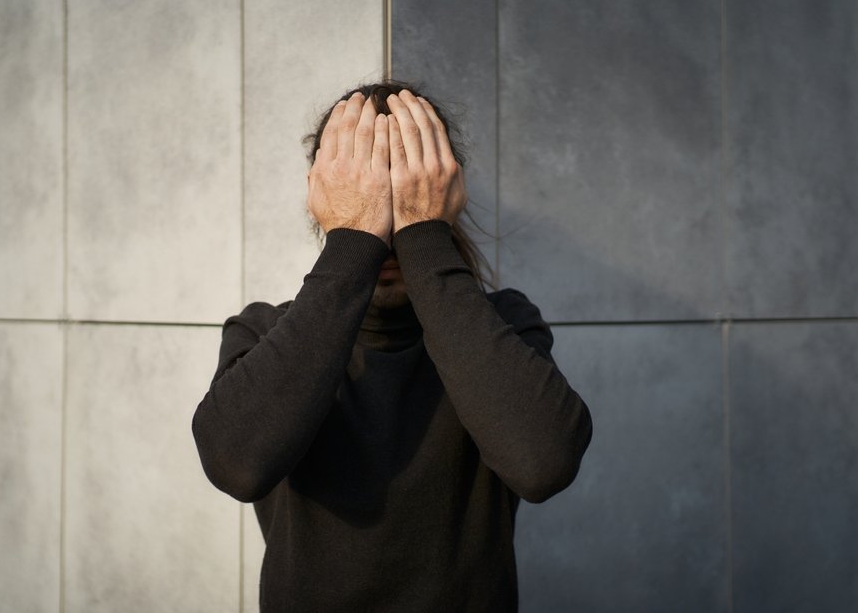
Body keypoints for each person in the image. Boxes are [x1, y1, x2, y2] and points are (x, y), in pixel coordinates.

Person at [192, 81, 593, 612]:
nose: (384, 220)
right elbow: (237, 465)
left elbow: (543, 463)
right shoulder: (264, 333)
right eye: (363, 190)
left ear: (441, 193)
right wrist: (351, 245)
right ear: (326, 199)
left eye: (404, 188)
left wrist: (424, 237)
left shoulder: (503, 326)